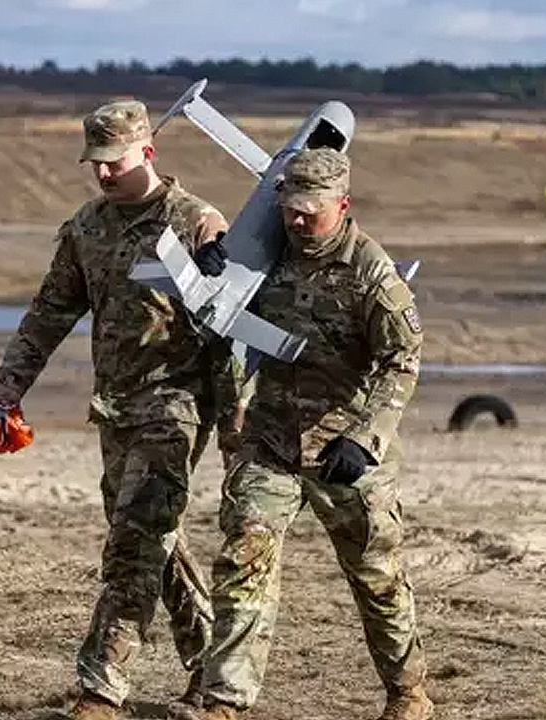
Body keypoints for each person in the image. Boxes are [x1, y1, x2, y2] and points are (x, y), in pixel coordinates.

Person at [0, 98, 241, 720]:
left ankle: (101, 689)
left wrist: (238, 419)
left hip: (176, 406)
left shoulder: (196, 223)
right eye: (93, 162)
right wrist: (8, 384)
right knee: (156, 540)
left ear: (147, 151)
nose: (102, 173)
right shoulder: (87, 227)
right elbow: (50, 313)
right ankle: (210, 666)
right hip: (115, 408)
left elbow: (236, 323)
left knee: (134, 545)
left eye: (114, 162)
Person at [187, 147, 433, 720]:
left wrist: (366, 438)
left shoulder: (371, 273)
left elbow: (402, 360)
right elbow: (217, 306)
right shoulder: (266, 251)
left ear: (342, 206)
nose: (296, 221)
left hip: (345, 451)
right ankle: (224, 701)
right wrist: (212, 259)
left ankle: (408, 694)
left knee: (376, 576)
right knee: (244, 557)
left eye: (310, 213)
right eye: (289, 209)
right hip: (271, 441)